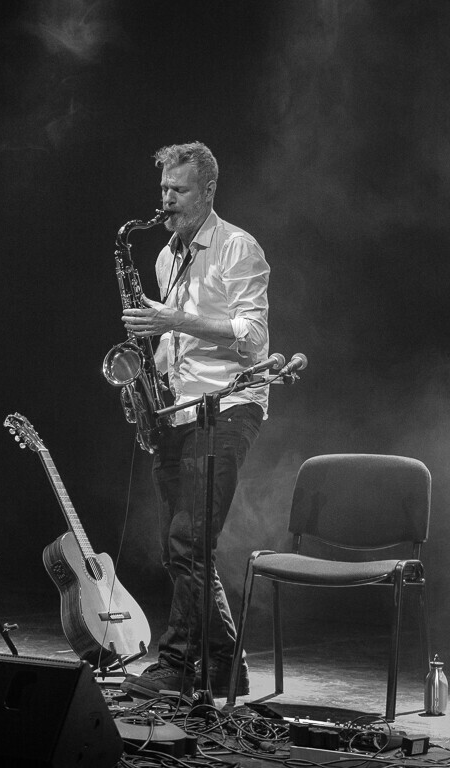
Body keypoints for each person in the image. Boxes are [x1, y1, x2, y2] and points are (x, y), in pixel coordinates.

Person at [121, 142, 270, 698]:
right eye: (163, 188)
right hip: (178, 409)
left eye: (178, 190)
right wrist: (144, 374)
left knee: (189, 542)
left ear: (208, 191)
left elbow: (252, 336)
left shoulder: (237, 247)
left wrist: (175, 319)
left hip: (228, 406)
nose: (166, 200)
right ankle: (227, 664)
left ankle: (179, 663)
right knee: (181, 550)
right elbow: (175, 344)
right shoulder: (166, 256)